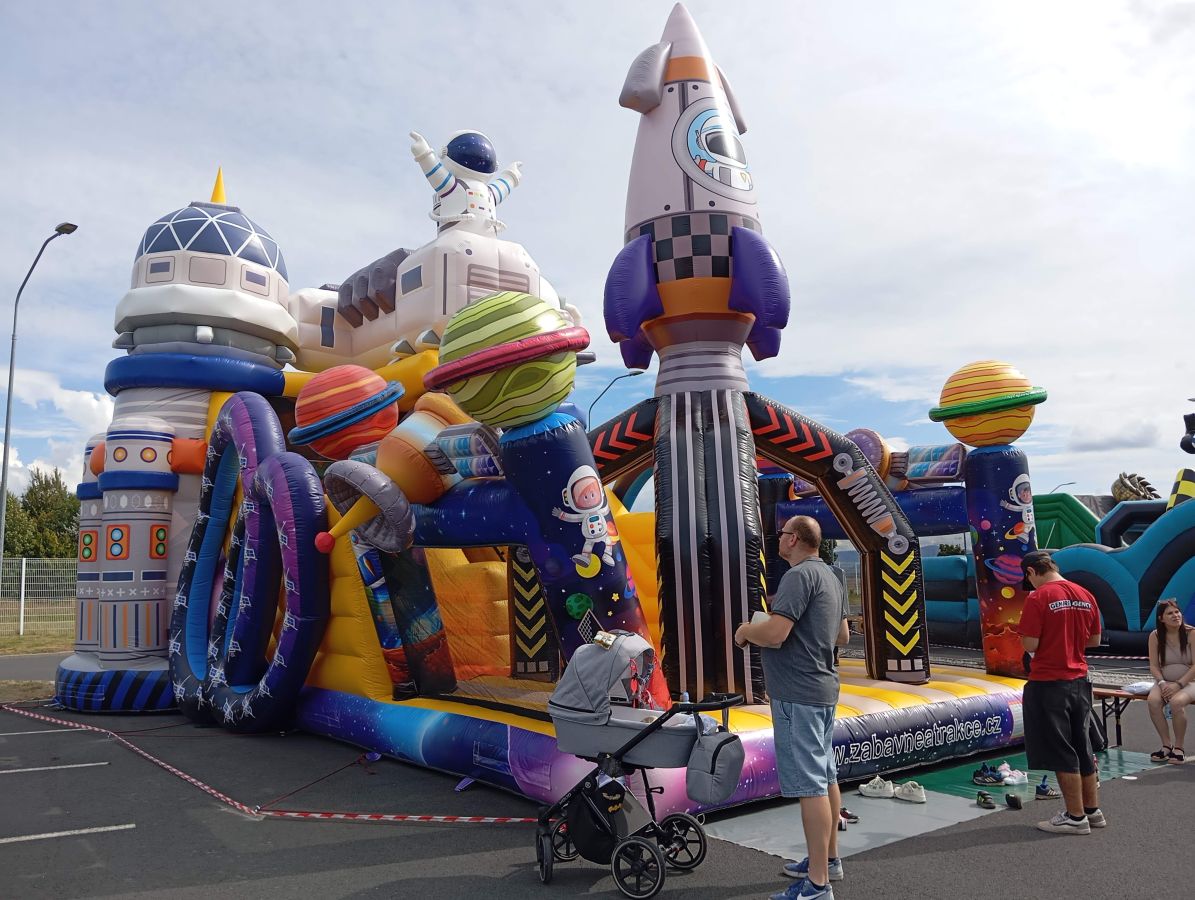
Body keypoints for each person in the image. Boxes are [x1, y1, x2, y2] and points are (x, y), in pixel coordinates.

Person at [735, 516, 850, 900]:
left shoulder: (798, 577)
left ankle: (817, 884)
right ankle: (828, 859)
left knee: (810, 786)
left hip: (798, 694)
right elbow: (841, 635)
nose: (779, 539)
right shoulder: (831, 576)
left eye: (782, 534)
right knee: (826, 776)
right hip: (822, 689)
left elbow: (776, 633)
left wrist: (746, 631)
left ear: (795, 539)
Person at [1019, 549, 1106, 835]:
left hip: (1048, 680)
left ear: (1031, 572)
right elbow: (1094, 639)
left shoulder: (1039, 597)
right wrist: (1069, 639)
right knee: (1083, 746)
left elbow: (1030, 644)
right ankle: (1092, 811)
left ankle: (1075, 817)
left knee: (1061, 749)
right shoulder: (1085, 594)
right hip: (1079, 679)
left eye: (1028, 579)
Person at [1146, 599, 1195, 764]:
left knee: (1176, 702)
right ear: (1161, 619)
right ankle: (1166, 745)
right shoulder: (1155, 636)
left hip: (1190, 682)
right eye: (1170, 613)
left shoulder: (1191, 633)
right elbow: (1154, 666)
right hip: (1165, 681)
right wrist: (1162, 683)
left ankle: (1179, 748)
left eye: (1177, 612)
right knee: (1153, 701)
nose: (1175, 615)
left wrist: (1178, 685)